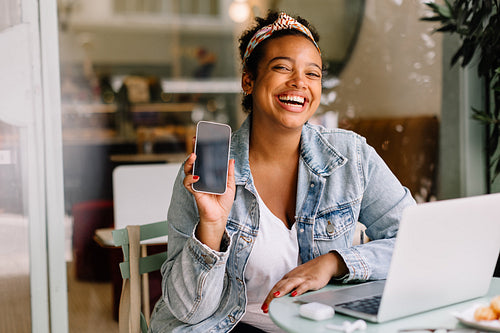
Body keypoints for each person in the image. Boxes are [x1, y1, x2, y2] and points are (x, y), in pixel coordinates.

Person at [149, 11, 415, 333]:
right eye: (282, 68)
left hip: (317, 325)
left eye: (312, 74)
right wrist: (212, 225)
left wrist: (334, 262)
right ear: (249, 80)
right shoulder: (206, 172)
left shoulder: (352, 156)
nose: (299, 83)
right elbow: (188, 311)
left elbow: (415, 241)